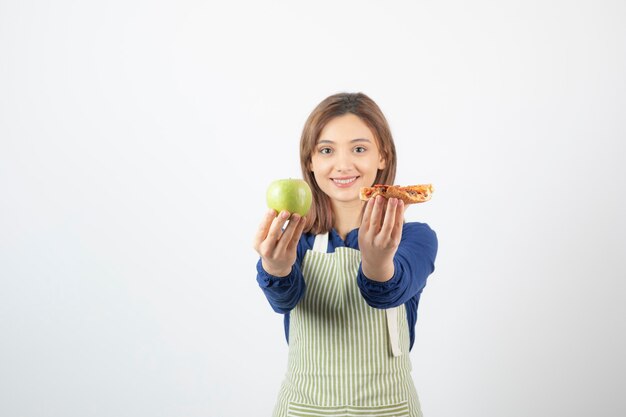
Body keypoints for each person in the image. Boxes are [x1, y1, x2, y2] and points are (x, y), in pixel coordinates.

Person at [253, 92, 438, 417]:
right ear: (310, 162)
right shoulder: (296, 242)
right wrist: (275, 267)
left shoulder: (414, 238)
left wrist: (378, 262)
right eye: (326, 150)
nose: (343, 165)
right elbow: (283, 300)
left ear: (383, 156)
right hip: (302, 409)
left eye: (359, 148)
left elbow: (389, 290)